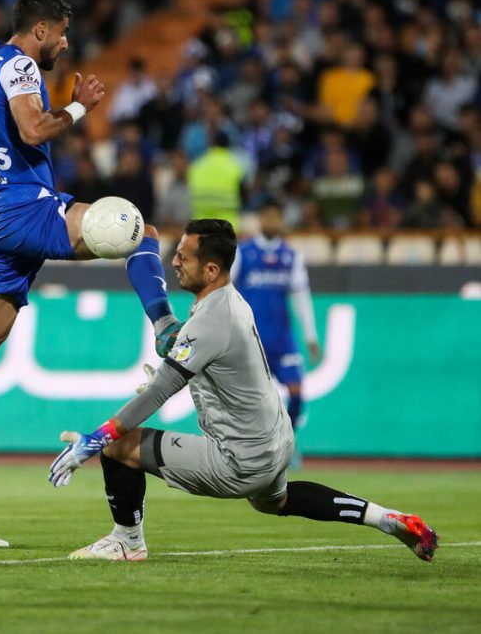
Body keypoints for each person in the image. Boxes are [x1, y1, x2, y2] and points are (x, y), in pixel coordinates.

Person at [0, 0, 180, 455]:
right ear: (40, 30)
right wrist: (80, 105)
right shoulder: (20, 66)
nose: (65, 44)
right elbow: (34, 129)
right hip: (30, 207)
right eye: (62, 34)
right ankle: (166, 324)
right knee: (138, 231)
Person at [47, 219, 438, 563]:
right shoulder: (227, 302)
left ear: (212, 268)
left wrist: (95, 440)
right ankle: (386, 518)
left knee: (119, 447)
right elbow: (175, 337)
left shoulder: (213, 319)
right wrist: (143, 240)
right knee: (277, 502)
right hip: (274, 441)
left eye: (184, 256)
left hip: (239, 458)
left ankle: (127, 542)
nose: (176, 261)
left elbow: (161, 391)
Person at [231, 199, 320, 467]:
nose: (271, 222)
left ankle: (286, 442)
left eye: (276, 217)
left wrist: (311, 336)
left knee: (297, 392)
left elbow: (301, 297)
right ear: (260, 219)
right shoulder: (242, 253)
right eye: (267, 217)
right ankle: (246, 448)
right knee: (248, 399)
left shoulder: (291, 256)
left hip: (282, 339)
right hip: (249, 339)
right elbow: (225, 290)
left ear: (281, 220)